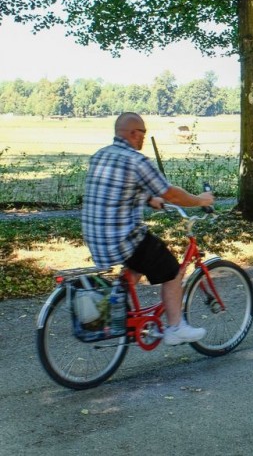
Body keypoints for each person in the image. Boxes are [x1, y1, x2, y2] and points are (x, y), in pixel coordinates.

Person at [81, 112, 215, 345]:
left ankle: (118, 309)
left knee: (143, 259)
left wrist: (147, 199)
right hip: (121, 240)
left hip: (96, 237)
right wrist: (201, 200)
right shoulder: (136, 160)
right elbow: (171, 194)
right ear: (133, 133)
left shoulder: (100, 155)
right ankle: (175, 328)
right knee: (171, 269)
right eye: (143, 132)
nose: (144, 137)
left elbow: (117, 190)